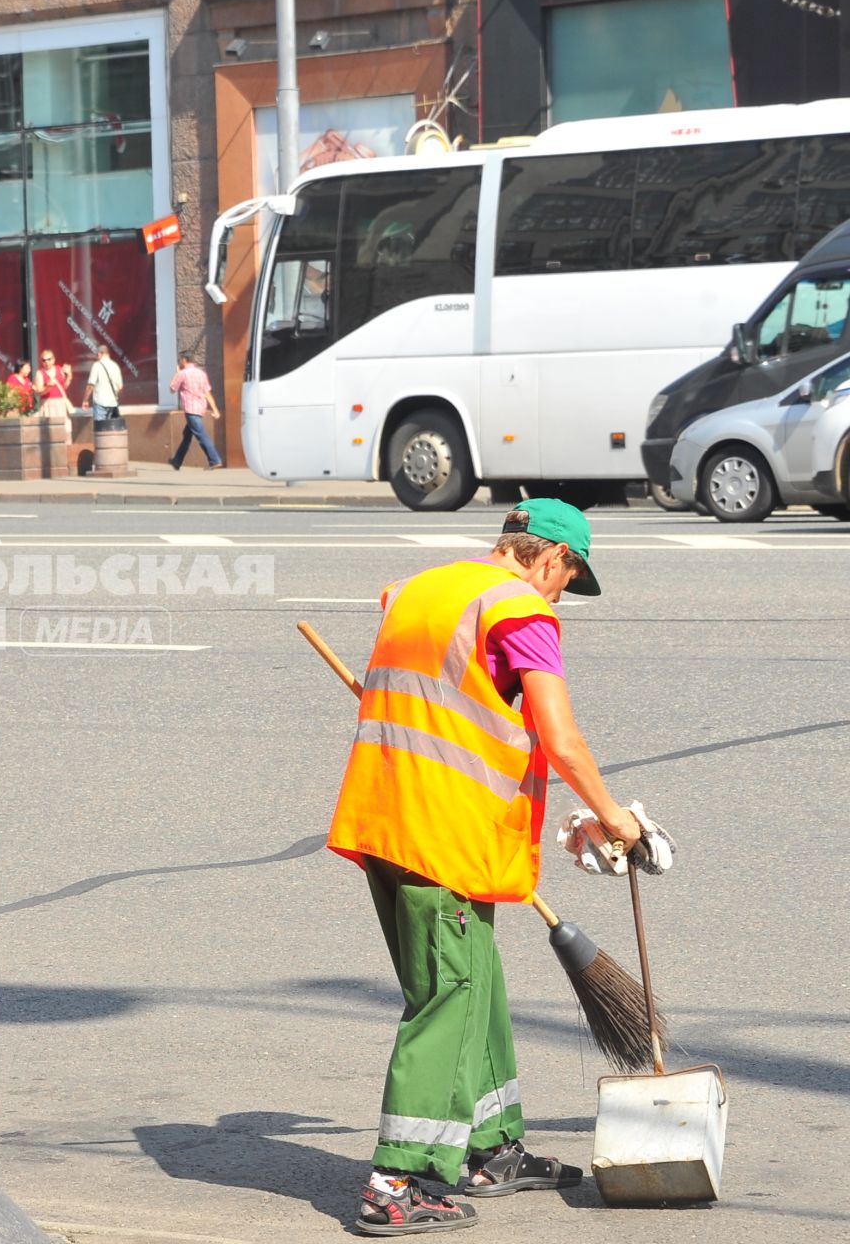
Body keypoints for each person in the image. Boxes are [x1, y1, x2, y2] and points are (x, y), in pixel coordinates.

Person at [327, 499, 648, 1236]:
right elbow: (561, 740)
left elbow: (446, 705)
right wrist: (615, 818)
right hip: (441, 832)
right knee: (448, 996)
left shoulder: (418, 591)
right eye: (568, 575)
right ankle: (398, 1179)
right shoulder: (521, 611)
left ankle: (488, 1149)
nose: (562, 591)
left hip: (389, 817)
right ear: (549, 559)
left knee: (477, 984)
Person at [168, 354, 223, 469]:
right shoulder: (201, 374)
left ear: (184, 360)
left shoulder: (182, 374)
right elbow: (207, 393)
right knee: (187, 435)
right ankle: (177, 461)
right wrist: (215, 409)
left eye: (179, 360)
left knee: (201, 435)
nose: (179, 362)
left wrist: (177, 372)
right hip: (200, 409)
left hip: (190, 409)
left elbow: (172, 389)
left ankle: (214, 460)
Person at [82, 346, 123, 424]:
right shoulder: (115, 366)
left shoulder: (96, 366)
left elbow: (90, 386)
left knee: (101, 430)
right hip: (113, 404)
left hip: (100, 403)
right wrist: (112, 395)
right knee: (111, 430)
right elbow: (120, 387)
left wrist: (85, 400)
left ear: (99, 354)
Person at [35, 349, 72, 426]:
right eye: (44, 360)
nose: (46, 362)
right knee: (50, 428)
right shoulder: (40, 373)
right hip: (48, 404)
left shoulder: (59, 369)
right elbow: (39, 391)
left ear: (53, 360)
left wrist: (69, 375)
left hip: (60, 403)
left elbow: (64, 387)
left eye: (49, 359)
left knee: (64, 428)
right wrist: (48, 387)